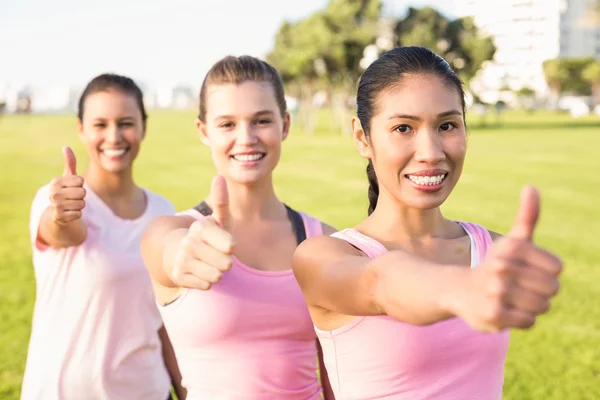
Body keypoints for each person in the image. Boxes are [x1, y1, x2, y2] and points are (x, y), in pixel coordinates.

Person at [292, 46, 563, 400]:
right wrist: (458, 287)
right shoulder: (321, 258)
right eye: (404, 128)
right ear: (362, 137)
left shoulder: (492, 251)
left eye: (447, 125)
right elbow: (381, 282)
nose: (431, 152)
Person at [141, 55, 335, 400]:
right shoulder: (177, 230)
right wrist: (181, 255)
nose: (246, 138)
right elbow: (163, 248)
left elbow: (337, 373)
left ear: (284, 125)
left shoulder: (323, 241)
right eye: (227, 124)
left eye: (261, 121)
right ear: (204, 132)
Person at [22, 74, 184, 400]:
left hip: (147, 392)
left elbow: (167, 321)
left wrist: (185, 391)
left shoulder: (164, 213)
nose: (114, 136)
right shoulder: (55, 201)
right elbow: (63, 231)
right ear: (81, 129)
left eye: (125, 123)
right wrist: (61, 215)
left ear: (143, 127)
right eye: (100, 124)